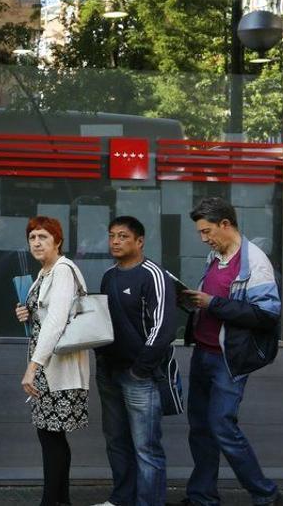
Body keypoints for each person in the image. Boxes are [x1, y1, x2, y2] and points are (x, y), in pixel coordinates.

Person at [178, 197, 283, 506]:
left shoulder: (255, 262)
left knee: (223, 426)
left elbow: (266, 315)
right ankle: (202, 496)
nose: (203, 238)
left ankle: (266, 495)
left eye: (207, 231)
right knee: (200, 428)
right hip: (203, 353)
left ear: (226, 224)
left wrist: (212, 304)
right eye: (200, 232)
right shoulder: (217, 255)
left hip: (227, 360)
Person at [93, 216, 178, 506]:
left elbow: (164, 328)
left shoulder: (153, 274)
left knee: (146, 448)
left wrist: (141, 369)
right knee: (116, 441)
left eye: (123, 236)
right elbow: (102, 321)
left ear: (139, 241)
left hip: (139, 376)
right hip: (109, 372)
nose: (115, 241)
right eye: (112, 236)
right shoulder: (109, 275)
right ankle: (121, 499)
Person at [12, 216, 89, 506]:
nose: (36, 242)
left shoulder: (63, 270)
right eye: (32, 237)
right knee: (49, 435)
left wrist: (32, 367)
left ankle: (53, 501)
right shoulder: (45, 273)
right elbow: (45, 316)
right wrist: (27, 314)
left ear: (57, 240)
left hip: (56, 368)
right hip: (47, 367)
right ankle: (59, 500)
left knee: (52, 436)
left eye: (43, 237)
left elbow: (56, 323)